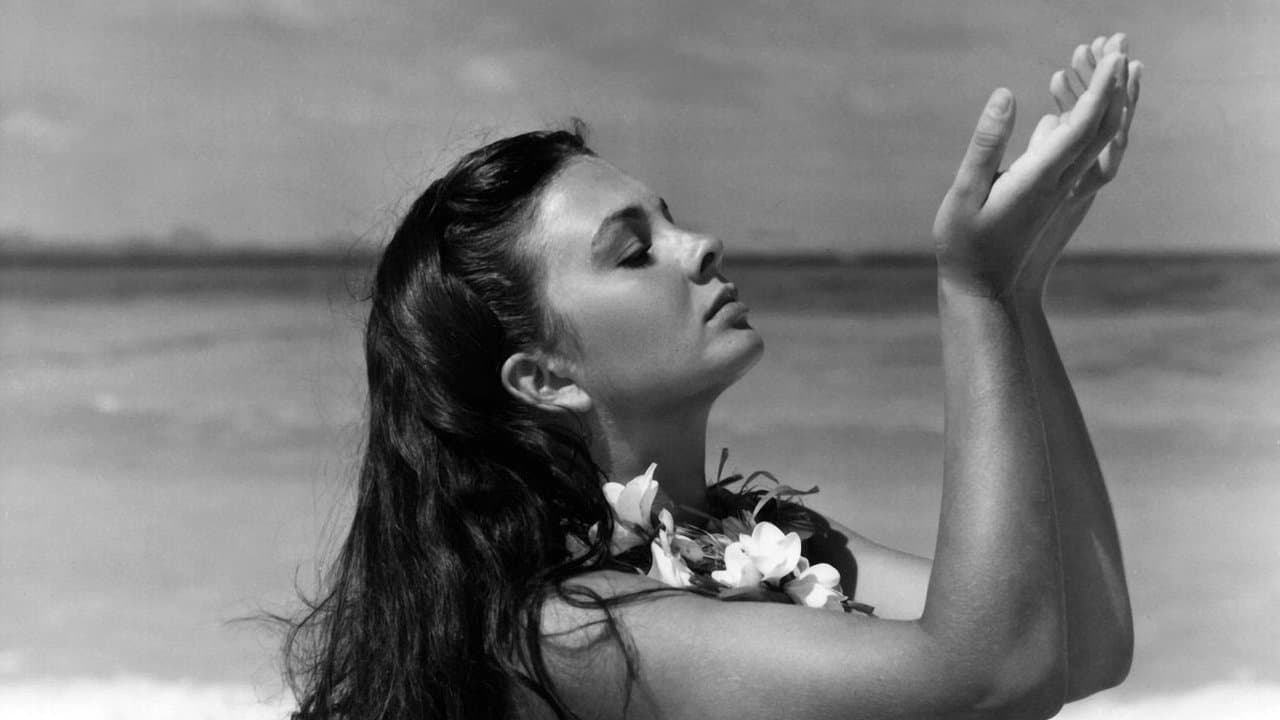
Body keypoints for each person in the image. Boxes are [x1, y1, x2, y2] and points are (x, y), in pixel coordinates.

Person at [282, 33, 1141, 720]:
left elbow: (1081, 644)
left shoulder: (766, 540)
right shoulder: (564, 631)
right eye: (634, 252)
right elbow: (990, 679)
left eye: (671, 221)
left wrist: (1021, 292)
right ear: (544, 380)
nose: (699, 246)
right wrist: (976, 291)